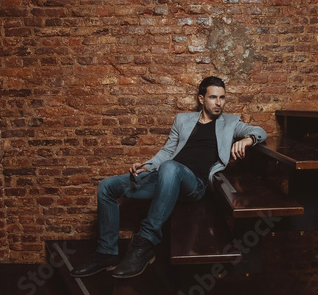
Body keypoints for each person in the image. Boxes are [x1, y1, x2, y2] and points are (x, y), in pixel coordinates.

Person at [70, 76, 267, 279]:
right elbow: (167, 151)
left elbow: (260, 131)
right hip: (165, 176)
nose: (218, 103)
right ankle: (106, 254)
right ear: (201, 99)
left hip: (194, 185)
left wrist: (247, 139)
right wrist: (147, 166)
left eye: (222, 98)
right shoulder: (183, 120)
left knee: (171, 167)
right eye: (213, 97)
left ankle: (145, 242)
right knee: (106, 186)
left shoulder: (230, 122)